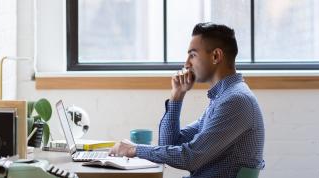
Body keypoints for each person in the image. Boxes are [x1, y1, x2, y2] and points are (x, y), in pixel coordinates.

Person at [110, 22, 265, 178]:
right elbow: (168, 144)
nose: (186, 64)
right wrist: (177, 96)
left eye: (193, 55)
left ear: (216, 56)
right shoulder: (222, 98)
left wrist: (134, 149)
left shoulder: (235, 101)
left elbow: (191, 158)